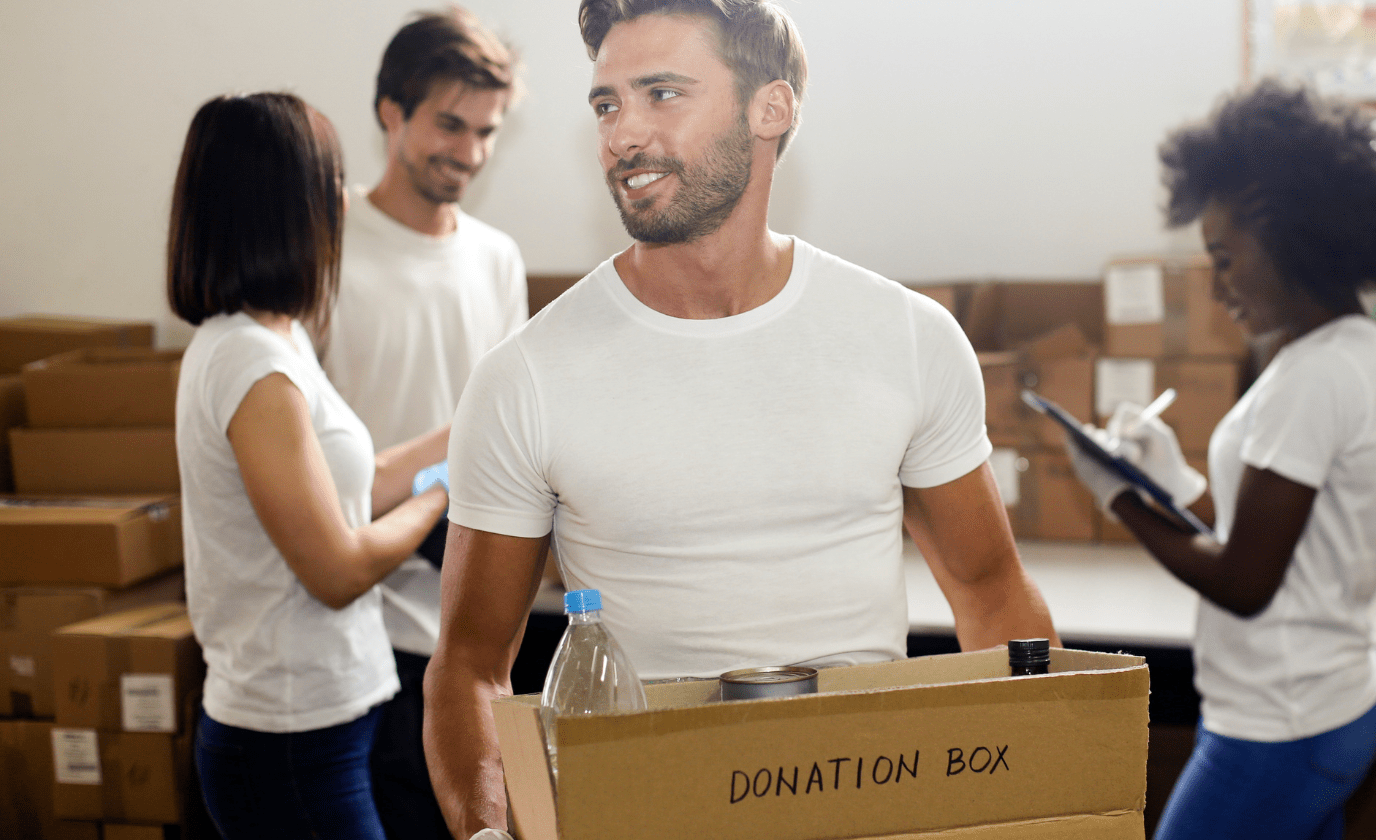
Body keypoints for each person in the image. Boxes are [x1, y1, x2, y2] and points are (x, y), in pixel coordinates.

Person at [422, 1, 1060, 835]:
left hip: (869, 806)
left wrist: (1053, 803)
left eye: (661, 94)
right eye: (607, 103)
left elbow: (991, 597)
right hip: (643, 812)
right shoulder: (525, 378)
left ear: (771, 108)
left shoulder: (906, 338)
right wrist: (487, 832)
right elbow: (470, 663)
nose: (622, 134)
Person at [1066, 79, 1376, 840]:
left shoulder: (1314, 374)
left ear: (1295, 237)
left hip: (1279, 728)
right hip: (1328, 702)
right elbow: (1258, 527)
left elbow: (1243, 581)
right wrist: (1168, 480)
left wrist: (1118, 499)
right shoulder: (1351, 348)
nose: (1218, 285)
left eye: (1226, 258)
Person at [168, 92, 450, 840]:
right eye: (328, 185)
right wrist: (442, 494)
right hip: (287, 741)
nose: (343, 203)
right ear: (282, 206)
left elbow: (355, 485)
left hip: (329, 721)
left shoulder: (279, 336)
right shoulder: (248, 364)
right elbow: (336, 569)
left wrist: (467, 430)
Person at [316, 9, 526, 839]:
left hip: (477, 637)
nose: (470, 152)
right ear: (390, 111)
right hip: (355, 635)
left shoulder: (495, 257)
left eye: (487, 131)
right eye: (449, 123)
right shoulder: (321, 238)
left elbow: (512, 443)